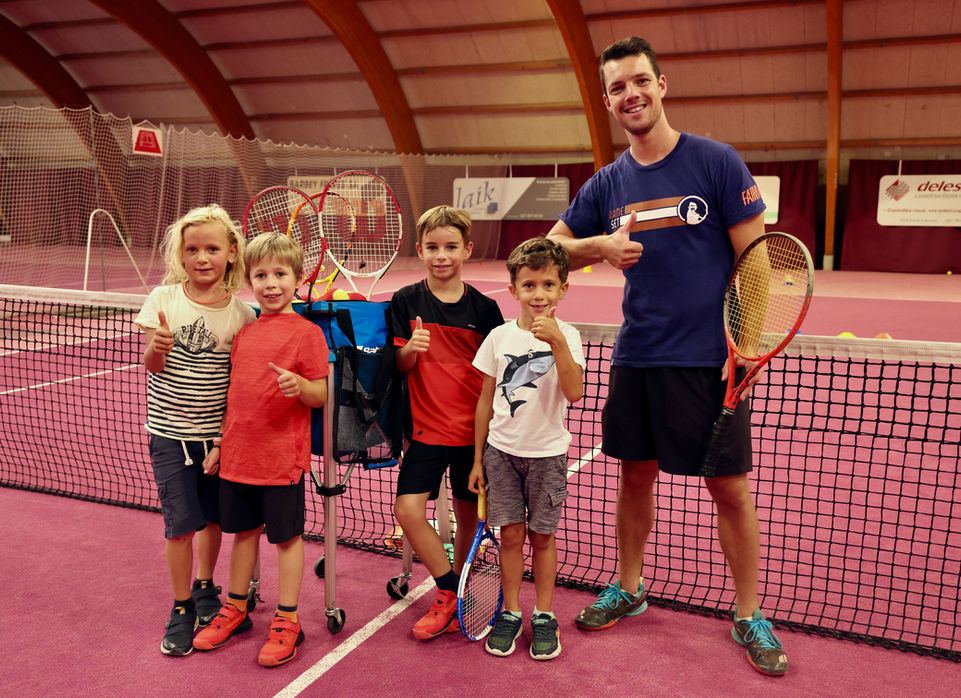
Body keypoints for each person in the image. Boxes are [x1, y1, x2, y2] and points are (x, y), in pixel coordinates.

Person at [546, 36, 788, 677]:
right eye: (618, 88)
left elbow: (755, 258)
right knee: (634, 477)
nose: (631, 94)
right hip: (638, 355)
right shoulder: (607, 184)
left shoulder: (716, 161)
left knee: (729, 488)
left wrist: (747, 343)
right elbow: (544, 251)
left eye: (640, 81)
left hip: (709, 359)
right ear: (607, 102)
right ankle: (629, 586)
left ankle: (748, 613)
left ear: (661, 84)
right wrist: (598, 246)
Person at [192, 233, 329, 667]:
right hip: (239, 457)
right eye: (261, 275)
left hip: (281, 460)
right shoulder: (245, 332)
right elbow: (234, 398)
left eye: (280, 274)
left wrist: (300, 385)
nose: (271, 284)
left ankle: (288, 619)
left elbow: (321, 394)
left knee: (287, 539)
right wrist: (221, 444)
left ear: (298, 278)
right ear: (249, 280)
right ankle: (235, 608)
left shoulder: (308, 333)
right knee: (243, 533)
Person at [135, 204, 256, 656]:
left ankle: (206, 585)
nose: (202, 257)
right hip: (169, 435)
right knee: (180, 526)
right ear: (181, 255)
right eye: (192, 250)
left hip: (219, 438)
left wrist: (223, 440)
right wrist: (157, 347)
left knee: (214, 518)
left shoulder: (243, 315)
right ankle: (182, 604)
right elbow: (151, 365)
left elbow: (238, 387)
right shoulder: (163, 299)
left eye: (212, 248)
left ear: (231, 253)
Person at [390, 205, 505, 640]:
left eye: (451, 247)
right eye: (433, 247)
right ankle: (449, 590)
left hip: (473, 436)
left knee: (467, 516)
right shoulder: (405, 301)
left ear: (467, 249)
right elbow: (397, 365)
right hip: (424, 431)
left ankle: (458, 589)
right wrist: (411, 349)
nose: (442, 255)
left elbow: (497, 375)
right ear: (420, 250)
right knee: (407, 510)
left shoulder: (486, 309)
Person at [469, 238, 584, 660]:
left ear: (563, 289)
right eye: (529, 285)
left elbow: (574, 392)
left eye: (549, 285)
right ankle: (512, 612)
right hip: (500, 454)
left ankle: (545, 615)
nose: (539, 294)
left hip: (547, 456)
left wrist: (557, 343)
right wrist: (477, 459)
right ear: (513, 289)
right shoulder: (498, 338)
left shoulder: (569, 336)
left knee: (543, 537)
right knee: (512, 536)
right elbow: (485, 401)